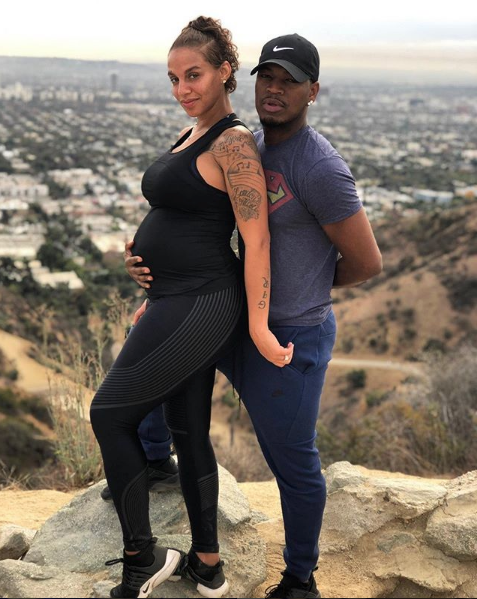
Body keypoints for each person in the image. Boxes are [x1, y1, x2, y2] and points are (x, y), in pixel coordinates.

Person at [125, 33, 382, 599]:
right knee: (153, 367)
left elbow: (367, 262)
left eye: (290, 81)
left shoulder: (320, 168)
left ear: (313, 91)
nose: (275, 89)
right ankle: (156, 463)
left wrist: (303, 288)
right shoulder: (245, 144)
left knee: (292, 461)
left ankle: (301, 579)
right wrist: (160, 272)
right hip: (231, 312)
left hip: (289, 336)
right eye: (268, 76)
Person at [90, 17, 292, 599]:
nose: (182, 88)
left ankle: (141, 560)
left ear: (225, 72)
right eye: (174, 78)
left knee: (108, 415)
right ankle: (207, 563)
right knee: (188, 430)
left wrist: (258, 324)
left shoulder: (232, 143)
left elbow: (257, 239)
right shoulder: (192, 132)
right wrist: (145, 272)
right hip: (175, 297)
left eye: (194, 75)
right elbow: (182, 215)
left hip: (203, 302)